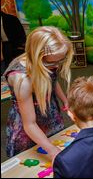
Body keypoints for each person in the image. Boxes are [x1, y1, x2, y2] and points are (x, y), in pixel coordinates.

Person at [3, 26, 74, 161]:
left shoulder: (49, 62)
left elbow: (52, 80)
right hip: (28, 127)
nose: (57, 66)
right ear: (37, 56)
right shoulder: (22, 80)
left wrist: (65, 100)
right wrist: (52, 151)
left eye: (61, 60)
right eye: (53, 62)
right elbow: (29, 124)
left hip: (48, 112)